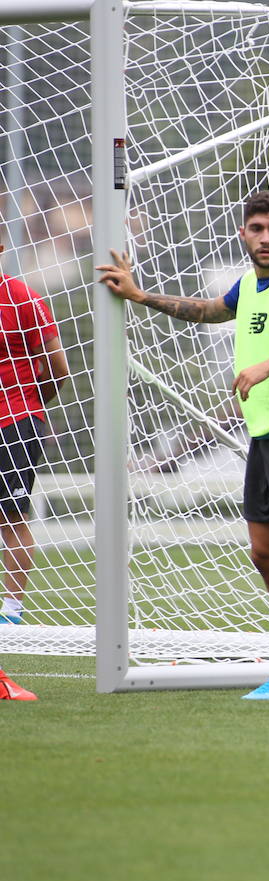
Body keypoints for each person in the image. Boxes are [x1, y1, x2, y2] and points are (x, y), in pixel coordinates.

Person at [98, 191, 269, 700]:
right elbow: (211, 310)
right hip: (266, 434)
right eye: (256, 229)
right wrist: (140, 294)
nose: (265, 238)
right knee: (263, 552)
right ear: (243, 234)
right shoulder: (250, 286)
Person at [0, 243, 69, 635]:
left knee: (12, 515)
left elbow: (59, 368)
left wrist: (28, 408)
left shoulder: (22, 297)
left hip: (16, 421)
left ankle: (11, 610)